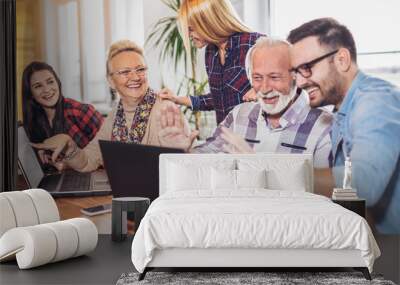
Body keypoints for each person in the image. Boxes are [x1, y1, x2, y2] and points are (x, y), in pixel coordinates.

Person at [288, 18, 400, 234]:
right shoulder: (342, 111)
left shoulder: (375, 100)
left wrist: (278, 174)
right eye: (296, 73)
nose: (300, 82)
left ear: (342, 59)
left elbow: (364, 184)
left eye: (306, 68)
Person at [158, 37, 333, 168]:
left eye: (274, 77)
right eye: (257, 78)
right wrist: (182, 151)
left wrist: (257, 166)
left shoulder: (325, 127)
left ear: (297, 76)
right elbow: (207, 158)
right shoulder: (239, 115)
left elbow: (327, 192)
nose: (264, 88)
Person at [32, 40, 191, 172]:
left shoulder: (165, 109)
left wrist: (178, 154)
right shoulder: (116, 115)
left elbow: (185, 170)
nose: (135, 77)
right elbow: (89, 160)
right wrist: (70, 147)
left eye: (140, 69)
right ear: (110, 81)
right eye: (125, 72)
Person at [158, 0, 264, 124]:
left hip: (255, 137)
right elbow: (218, 98)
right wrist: (176, 99)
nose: (188, 35)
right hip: (226, 137)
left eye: (191, 29)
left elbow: (287, 82)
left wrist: (260, 91)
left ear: (208, 22)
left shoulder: (254, 43)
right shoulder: (210, 53)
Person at [22, 61, 103, 167]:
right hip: (67, 178)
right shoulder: (34, 122)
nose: (47, 89)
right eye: (38, 86)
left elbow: (112, 151)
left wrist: (70, 161)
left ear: (58, 83)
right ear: (31, 94)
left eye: (50, 82)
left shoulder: (80, 111)